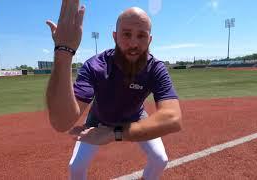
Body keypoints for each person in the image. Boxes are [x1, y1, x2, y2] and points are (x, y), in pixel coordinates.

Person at [46, 0, 182, 179]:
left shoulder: (155, 68)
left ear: (149, 40)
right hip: (99, 119)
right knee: (76, 167)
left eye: (141, 35)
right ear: (115, 36)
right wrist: (64, 52)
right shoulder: (95, 66)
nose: (133, 43)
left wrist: (114, 133)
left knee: (160, 159)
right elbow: (62, 122)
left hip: (135, 117)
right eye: (126, 34)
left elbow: (173, 118)